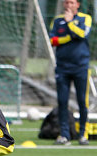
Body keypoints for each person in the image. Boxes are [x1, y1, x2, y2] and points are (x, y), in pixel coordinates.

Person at [49, 0, 92, 146]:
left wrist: (70, 23)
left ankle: (82, 135)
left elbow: (82, 35)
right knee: (62, 101)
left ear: (78, 5)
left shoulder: (85, 18)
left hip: (81, 67)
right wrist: (68, 37)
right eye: (66, 2)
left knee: (82, 102)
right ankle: (64, 135)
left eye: (72, 2)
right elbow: (53, 40)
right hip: (62, 67)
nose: (68, 5)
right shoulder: (57, 20)